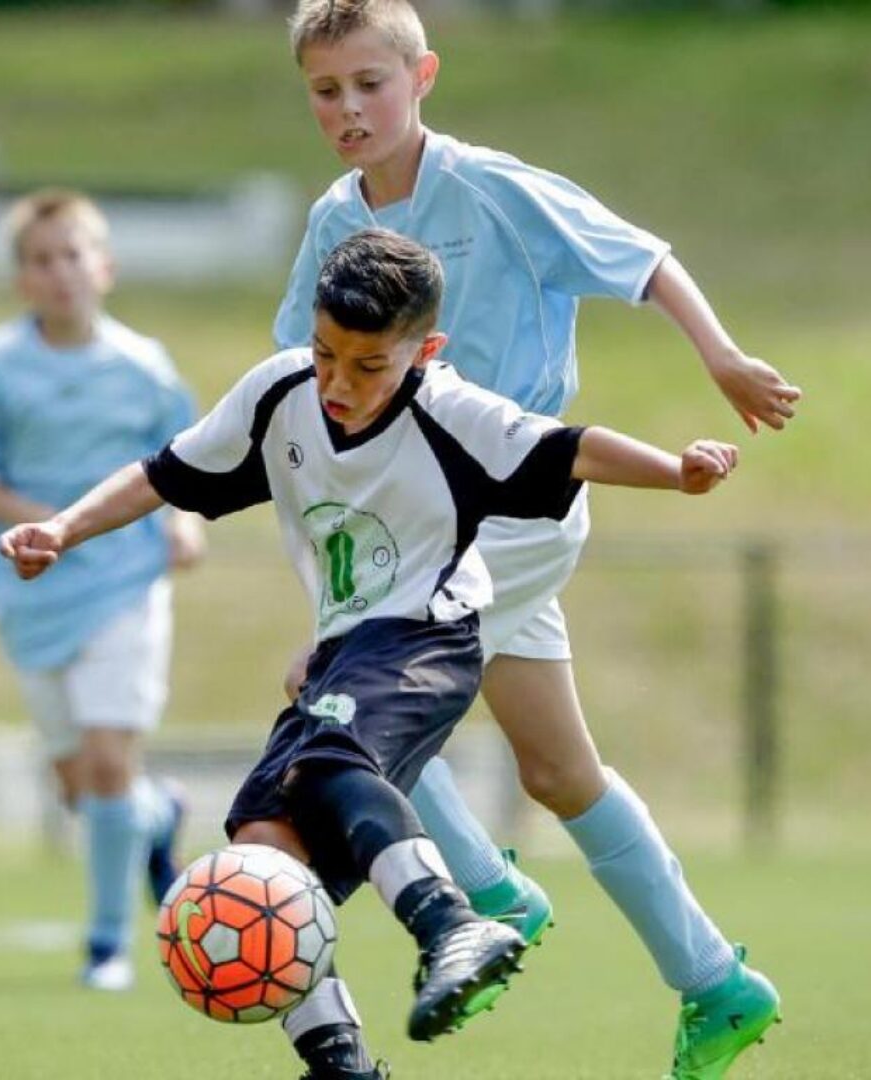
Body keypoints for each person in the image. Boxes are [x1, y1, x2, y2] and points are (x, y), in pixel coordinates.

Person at [0, 230, 745, 1080]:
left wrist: (676, 472)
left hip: (431, 634)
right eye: (325, 354)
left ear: (424, 352)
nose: (338, 384)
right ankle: (339, 1060)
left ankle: (452, 922)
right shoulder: (278, 395)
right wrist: (62, 527)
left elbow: (571, 447)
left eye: (367, 366)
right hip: (346, 652)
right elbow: (165, 474)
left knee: (327, 760)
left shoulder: (453, 411)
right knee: (259, 842)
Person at [272, 3, 796, 1077]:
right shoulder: (337, 218)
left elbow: (642, 259)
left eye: (370, 84)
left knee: (339, 701)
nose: (349, 110)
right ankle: (716, 984)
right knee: (560, 771)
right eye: (327, 92)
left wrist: (725, 359)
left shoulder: (494, 190)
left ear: (423, 76)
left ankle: (485, 894)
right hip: (431, 520)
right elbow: (300, 361)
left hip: (514, 504)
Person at [0, 189, 203, 992]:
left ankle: (106, 946)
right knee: (78, 786)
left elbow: (192, 461)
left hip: (125, 581)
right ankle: (157, 818)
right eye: (40, 260)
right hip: (33, 591)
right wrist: (46, 525)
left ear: (105, 267)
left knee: (104, 760)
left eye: (72, 255)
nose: (59, 273)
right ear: (22, 278)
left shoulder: (144, 367)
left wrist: (187, 523)